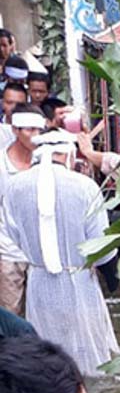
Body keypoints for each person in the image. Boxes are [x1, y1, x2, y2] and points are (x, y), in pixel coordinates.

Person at [3, 129, 119, 374]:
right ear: (68, 154)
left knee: (47, 356)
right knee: (90, 360)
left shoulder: (14, 188)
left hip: (39, 285)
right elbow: (103, 247)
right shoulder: (85, 187)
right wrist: (113, 280)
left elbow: (11, 236)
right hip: (80, 283)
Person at [0, 105, 45, 314]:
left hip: (40, 253)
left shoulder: (44, 162)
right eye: (29, 130)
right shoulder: (1, 165)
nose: (35, 136)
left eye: (39, 130)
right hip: (8, 252)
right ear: (15, 130)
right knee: (11, 313)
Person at [0, 81, 27, 148]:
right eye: (9, 103)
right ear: (2, 103)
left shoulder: (34, 130)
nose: (14, 107)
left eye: (19, 104)